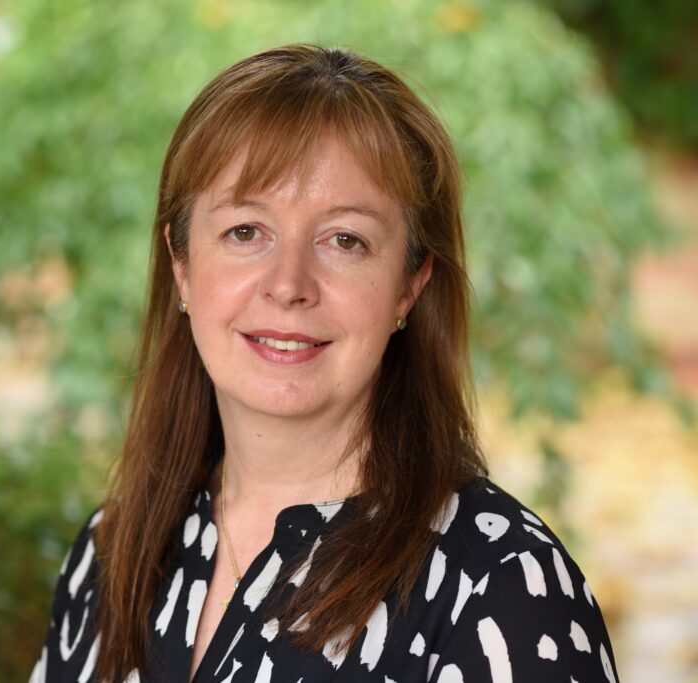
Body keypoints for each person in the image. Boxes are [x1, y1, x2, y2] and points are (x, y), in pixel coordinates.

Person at [31, 44, 619, 683]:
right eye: (246, 232)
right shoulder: (111, 555)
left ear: (408, 287)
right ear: (183, 270)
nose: (288, 285)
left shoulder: (501, 591)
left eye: (345, 240)